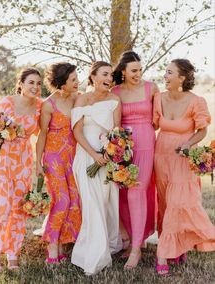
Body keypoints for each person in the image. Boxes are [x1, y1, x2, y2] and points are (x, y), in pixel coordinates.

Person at [153, 58, 215, 275]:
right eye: (165, 71)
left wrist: (188, 144)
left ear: (182, 78)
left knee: (177, 203)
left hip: (182, 158)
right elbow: (152, 124)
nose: (165, 76)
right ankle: (176, 247)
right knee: (164, 203)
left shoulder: (197, 101)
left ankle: (162, 256)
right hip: (160, 156)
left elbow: (202, 129)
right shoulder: (158, 98)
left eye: (169, 72)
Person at [0, 67, 42, 273]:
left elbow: (43, 133)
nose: (35, 87)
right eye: (31, 82)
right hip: (2, 161)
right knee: (0, 208)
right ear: (21, 84)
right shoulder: (4, 103)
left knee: (18, 209)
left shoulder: (40, 107)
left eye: (38, 83)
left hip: (23, 163)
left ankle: (12, 252)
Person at [71, 61, 122, 275]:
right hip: (86, 156)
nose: (109, 79)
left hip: (108, 158)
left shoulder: (115, 100)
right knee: (92, 204)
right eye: (104, 74)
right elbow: (77, 131)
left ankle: (110, 244)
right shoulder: (82, 99)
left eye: (111, 75)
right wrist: (94, 155)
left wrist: (110, 153)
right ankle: (94, 253)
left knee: (106, 202)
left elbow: (117, 132)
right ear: (92, 77)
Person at [112, 50, 159, 269]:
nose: (138, 74)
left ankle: (137, 250)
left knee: (137, 191)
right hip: (123, 145)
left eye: (140, 69)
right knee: (123, 192)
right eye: (133, 70)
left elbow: (159, 119)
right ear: (123, 71)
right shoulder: (115, 92)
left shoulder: (151, 88)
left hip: (146, 142)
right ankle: (131, 241)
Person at [36, 62, 82, 264]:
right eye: (73, 79)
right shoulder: (48, 104)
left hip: (74, 156)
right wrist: (38, 162)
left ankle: (64, 242)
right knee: (61, 201)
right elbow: (42, 135)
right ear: (62, 83)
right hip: (54, 158)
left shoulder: (77, 98)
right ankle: (52, 246)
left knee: (74, 200)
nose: (77, 82)